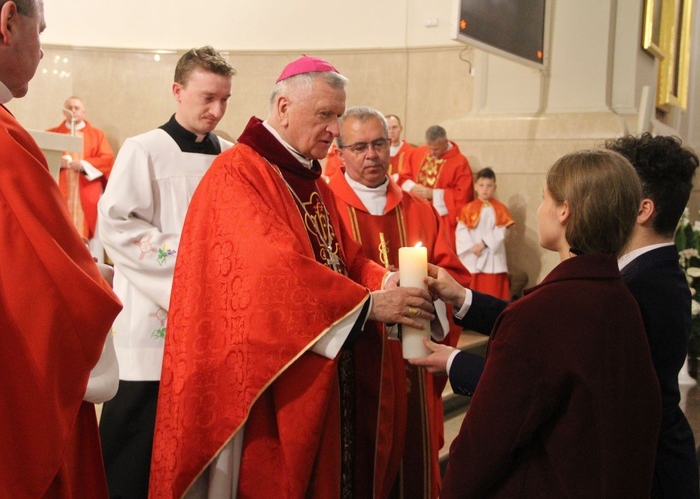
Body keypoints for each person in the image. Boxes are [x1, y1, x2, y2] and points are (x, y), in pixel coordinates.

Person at [149, 55, 435, 498]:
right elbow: (269, 278)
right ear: (283, 107)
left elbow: (346, 256)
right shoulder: (239, 173)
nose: (336, 130)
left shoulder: (312, 180)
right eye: (325, 114)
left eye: (339, 116)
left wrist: (382, 281)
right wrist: (367, 306)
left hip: (317, 366)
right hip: (267, 386)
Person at [414, 134, 700, 498]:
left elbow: (498, 429)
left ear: (565, 210)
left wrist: (456, 363)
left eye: (545, 198)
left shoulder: (637, 288)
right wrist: (464, 298)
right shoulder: (617, 287)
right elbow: (552, 343)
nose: (538, 209)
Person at [0, 1, 122, 497]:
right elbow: (61, 302)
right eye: (40, 29)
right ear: (7, 21)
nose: (43, 48)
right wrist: (101, 282)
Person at [97, 46, 236, 499]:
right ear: (177, 91)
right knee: (135, 450)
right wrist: (196, 261)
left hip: (214, 319)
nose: (216, 110)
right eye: (206, 97)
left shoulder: (233, 157)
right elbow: (117, 225)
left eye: (225, 100)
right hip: (153, 319)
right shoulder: (144, 150)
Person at [328, 105, 471, 498]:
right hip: (353, 367)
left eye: (379, 143)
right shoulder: (325, 209)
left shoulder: (420, 210)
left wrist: (431, 300)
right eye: (358, 147)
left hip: (413, 367)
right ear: (338, 153)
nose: (371, 154)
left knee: (413, 471)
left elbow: (452, 277)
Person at [48, 95, 114, 259]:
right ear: (64, 111)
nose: (73, 111)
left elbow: (106, 160)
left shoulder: (97, 135)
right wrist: (58, 162)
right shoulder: (53, 133)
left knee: (89, 232)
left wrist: (84, 165)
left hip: (86, 190)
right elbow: (41, 157)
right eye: (69, 107)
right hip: (61, 189)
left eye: (77, 108)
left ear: (84, 112)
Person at [398, 125, 473, 250]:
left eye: (436, 149)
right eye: (430, 148)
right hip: (417, 215)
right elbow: (403, 177)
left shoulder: (460, 162)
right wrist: (412, 187)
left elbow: (463, 195)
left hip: (443, 220)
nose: (432, 153)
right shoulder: (418, 153)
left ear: (445, 142)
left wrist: (433, 194)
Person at [456, 167, 514, 299]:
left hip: (492, 258)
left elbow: (500, 231)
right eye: (481, 185)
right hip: (472, 257)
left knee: (493, 293)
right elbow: (461, 231)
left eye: (489, 185)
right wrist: (472, 247)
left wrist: (483, 244)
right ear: (475, 187)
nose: (485, 189)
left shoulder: (500, 209)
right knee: (472, 294)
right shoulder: (467, 209)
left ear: (495, 187)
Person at [385, 114, 414, 180]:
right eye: (388, 128)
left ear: (400, 129)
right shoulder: (377, 152)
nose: (391, 131)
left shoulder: (411, 152)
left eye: (394, 127)